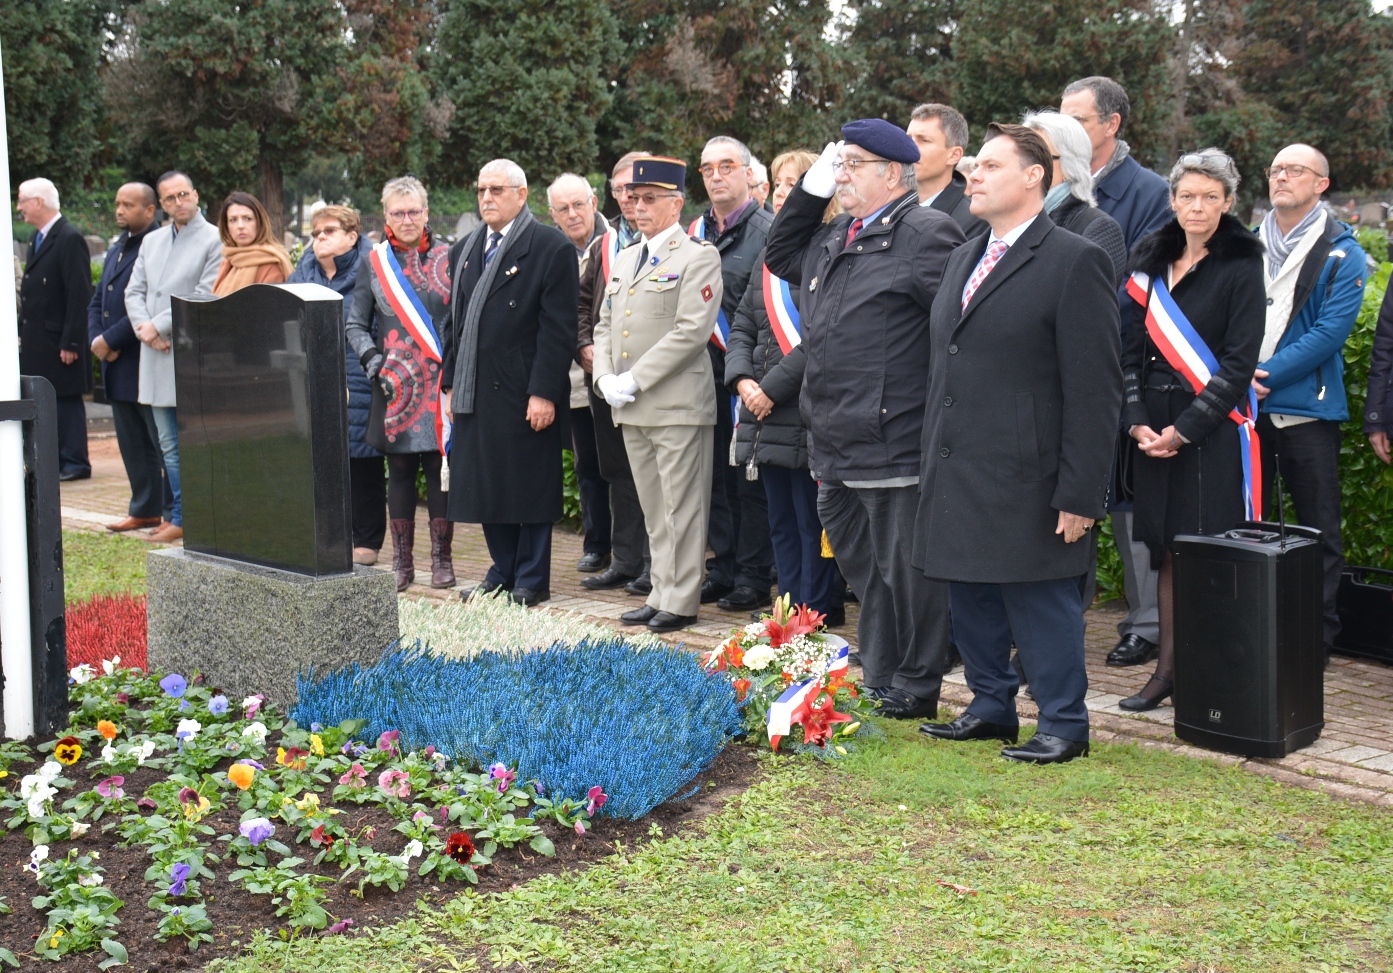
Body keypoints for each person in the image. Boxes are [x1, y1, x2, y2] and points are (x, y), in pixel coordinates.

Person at [916, 123, 1122, 764]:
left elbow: (1096, 390)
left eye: (990, 166)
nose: (973, 175)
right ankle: (990, 706)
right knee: (970, 592)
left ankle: (1064, 723)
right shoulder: (964, 255)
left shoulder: (1073, 258)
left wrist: (1081, 492)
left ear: (1035, 175)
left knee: (1040, 600)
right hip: (958, 465)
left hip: (1029, 473)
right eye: (973, 166)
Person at [764, 119, 965, 720]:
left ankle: (918, 680)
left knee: (907, 573)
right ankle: (881, 673)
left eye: (852, 164)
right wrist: (811, 189)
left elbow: (957, 331)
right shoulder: (836, 238)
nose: (841, 173)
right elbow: (779, 255)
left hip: (892, 439)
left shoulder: (927, 233)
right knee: (864, 569)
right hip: (833, 440)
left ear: (891, 173)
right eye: (839, 163)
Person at [1118, 149, 1266, 711]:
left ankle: (1215, 678)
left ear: (1228, 203)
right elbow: (1128, 352)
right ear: (1172, 199)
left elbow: (1236, 365)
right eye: (1186, 196)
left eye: (1210, 197)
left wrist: (1182, 431)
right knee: (1166, 553)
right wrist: (1136, 423)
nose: (1196, 207)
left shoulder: (1241, 263)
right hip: (1150, 434)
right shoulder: (1150, 258)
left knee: (1206, 553)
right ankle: (1168, 672)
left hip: (1209, 435)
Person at [1061, 75, 1173, 670]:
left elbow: (1142, 281)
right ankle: (1060, 616)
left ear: (1112, 125)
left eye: (1080, 119)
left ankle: (1146, 623)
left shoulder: (1150, 192)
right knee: (1070, 495)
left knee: (1128, 503)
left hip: (1127, 360)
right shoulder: (1050, 185)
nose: (1068, 128)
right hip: (1062, 366)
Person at [592, 156, 724, 633]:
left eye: (650, 199)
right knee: (653, 505)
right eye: (632, 197)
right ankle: (660, 590)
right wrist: (605, 376)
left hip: (676, 403)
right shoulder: (627, 258)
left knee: (681, 506)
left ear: (676, 203)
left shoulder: (697, 256)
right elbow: (606, 324)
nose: (637, 206)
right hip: (631, 405)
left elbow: (691, 331)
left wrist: (635, 378)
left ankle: (682, 598)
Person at [443, 160, 577, 606]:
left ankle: (531, 578)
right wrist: (448, 384)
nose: (486, 198)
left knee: (529, 485)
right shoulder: (463, 248)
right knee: (486, 486)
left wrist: (543, 391)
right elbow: (454, 324)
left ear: (522, 195)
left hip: (523, 390)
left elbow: (557, 330)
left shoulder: (549, 247)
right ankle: (502, 570)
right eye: (481, 189)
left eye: (497, 190)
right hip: (475, 389)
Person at [1253, 144, 1367, 665]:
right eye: (1276, 169)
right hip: (1245, 413)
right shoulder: (1247, 245)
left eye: (1294, 169)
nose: (1281, 176)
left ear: (1321, 183)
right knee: (1252, 528)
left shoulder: (1346, 252)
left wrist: (1263, 375)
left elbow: (1330, 333)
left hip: (1307, 412)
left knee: (1319, 530)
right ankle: (1252, 630)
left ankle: (1316, 643)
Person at [725, 148, 845, 626]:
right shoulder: (768, 256)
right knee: (780, 522)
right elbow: (742, 325)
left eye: (793, 183)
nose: (781, 192)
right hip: (764, 411)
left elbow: (821, 334)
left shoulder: (828, 248)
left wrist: (769, 387)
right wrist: (742, 378)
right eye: (777, 183)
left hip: (802, 409)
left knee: (809, 520)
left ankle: (812, 612)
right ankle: (788, 609)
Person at [346, 176, 454, 591]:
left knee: (441, 469)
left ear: (426, 213)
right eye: (397, 212)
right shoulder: (374, 262)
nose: (406, 220)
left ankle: (442, 560)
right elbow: (355, 323)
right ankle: (402, 563)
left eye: (414, 211)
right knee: (403, 472)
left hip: (442, 382)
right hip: (396, 387)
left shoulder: (450, 254)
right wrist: (374, 361)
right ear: (386, 214)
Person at [692, 135, 777, 613]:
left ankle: (752, 574)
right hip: (700, 379)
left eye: (727, 166)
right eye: (708, 168)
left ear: (749, 174)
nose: (717, 175)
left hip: (749, 380)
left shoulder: (769, 231)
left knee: (749, 483)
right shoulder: (695, 233)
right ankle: (722, 566)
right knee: (715, 481)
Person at [125, 170, 224, 543]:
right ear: (161, 205)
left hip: (187, 351)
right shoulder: (151, 242)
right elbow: (134, 291)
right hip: (154, 352)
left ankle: (188, 515)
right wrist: (144, 329)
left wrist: (160, 327)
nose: (178, 202)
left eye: (183, 194)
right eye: (170, 198)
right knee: (166, 442)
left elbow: (205, 291)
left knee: (193, 441)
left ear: (196, 195)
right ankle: (177, 513)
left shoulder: (215, 239)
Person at [287, 204, 383, 566]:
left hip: (357, 373)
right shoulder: (305, 270)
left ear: (352, 236)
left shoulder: (370, 265)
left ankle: (367, 540)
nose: (320, 238)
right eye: (315, 233)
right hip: (313, 374)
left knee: (361, 460)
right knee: (320, 460)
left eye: (328, 231)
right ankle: (328, 535)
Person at [577, 151, 653, 595]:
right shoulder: (604, 245)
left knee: (653, 476)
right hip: (605, 381)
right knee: (618, 473)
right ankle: (625, 560)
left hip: (650, 381)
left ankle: (652, 565)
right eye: (621, 189)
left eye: (636, 189)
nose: (627, 197)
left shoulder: (673, 240)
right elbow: (583, 305)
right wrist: (585, 348)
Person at [88, 182, 170, 531]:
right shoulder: (119, 246)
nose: (119, 210)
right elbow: (99, 298)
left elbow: (147, 303)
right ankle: (143, 507)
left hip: (142, 354)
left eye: (128, 205)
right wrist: (96, 338)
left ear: (150, 211)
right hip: (115, 359)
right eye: (117, 204)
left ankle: (169, 511)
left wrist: (112, 337)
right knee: (131, 441)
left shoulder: (158, 246)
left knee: (157, 441)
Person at [548, 173, 613, 575]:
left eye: (578, 205)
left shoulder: (619, 241)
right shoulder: (552, 249)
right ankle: (596, 544)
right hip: (574, 379)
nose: (573, 215)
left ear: (593, 201)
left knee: (620, 468)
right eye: (563, 209)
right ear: (552, 214)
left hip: (618, 376)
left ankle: (631, 553)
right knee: (588, 467)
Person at [17, 177, 95, 481]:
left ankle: (74, 462)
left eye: (23, 200)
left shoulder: (68, 237)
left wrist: (72, 342)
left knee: (66, 400)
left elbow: (78, 294)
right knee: (50, 400)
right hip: (41, 340)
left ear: (38, 202)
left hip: (60, 341)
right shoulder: (40, 238)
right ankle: (57, 459)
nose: (19, 206)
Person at [1022, 111, 1127, 288]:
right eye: (1022, 156)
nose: (1027, 166)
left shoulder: (1097, 227)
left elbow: (1088, 304)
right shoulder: (1010, 221)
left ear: (1069, 168)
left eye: (1038, 157)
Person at [906, 103, 987, 237]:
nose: (910, 148)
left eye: (924, 140)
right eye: (908, 139)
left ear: (954, 155)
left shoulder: (974, 220)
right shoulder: (887, 207)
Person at [212, 192, 292, 295]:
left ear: (259, 223)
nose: (240, 226)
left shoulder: (271, 263)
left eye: (247, 219)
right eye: (233, 220)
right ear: (226, 226)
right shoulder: (228, 260)